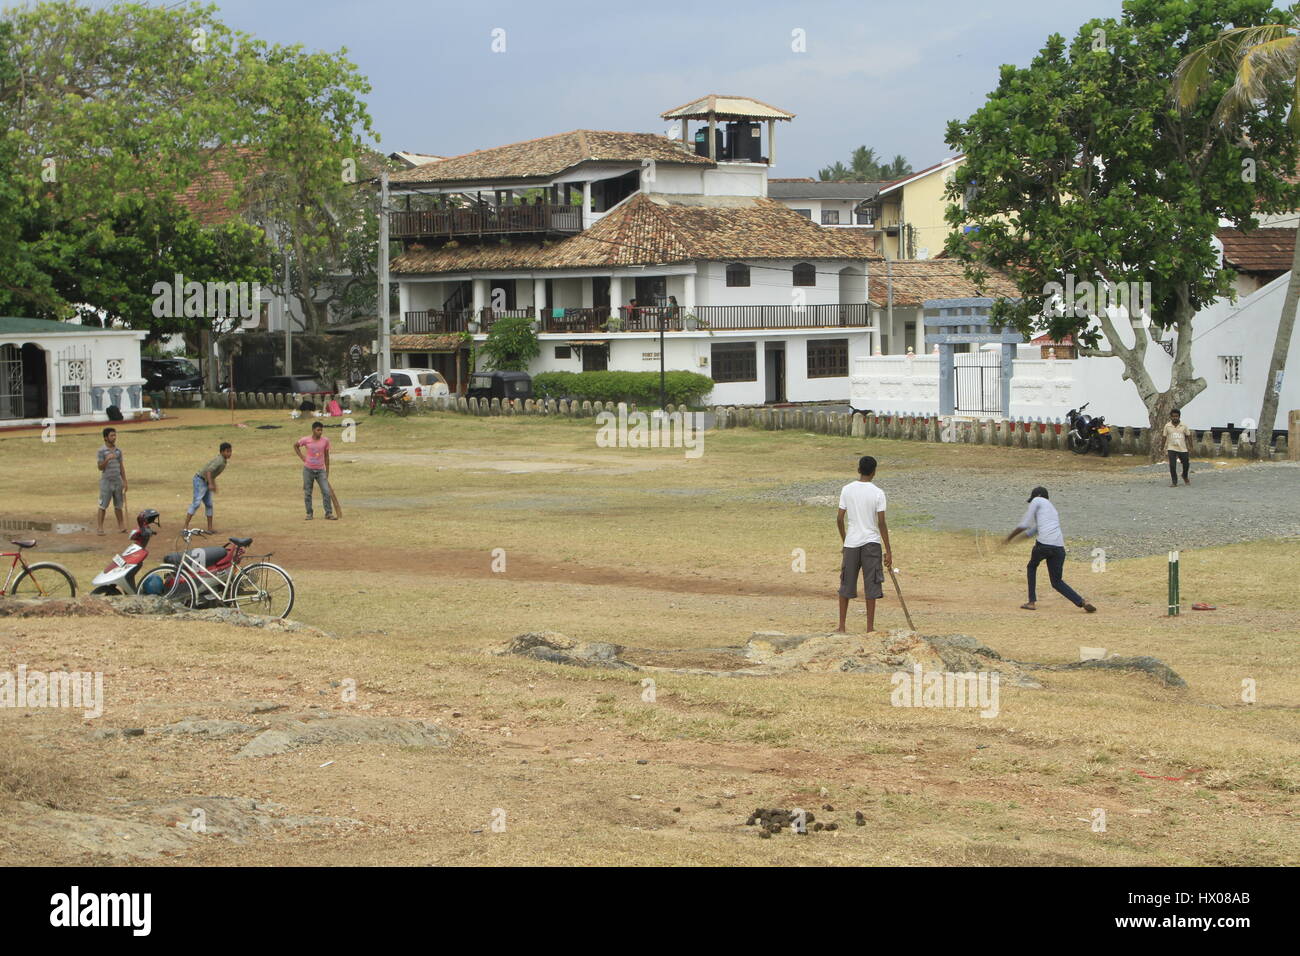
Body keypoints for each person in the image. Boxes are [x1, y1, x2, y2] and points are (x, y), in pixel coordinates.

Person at [1003, 486, 1096, 613]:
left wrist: (1009, 538)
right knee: (1056, 582)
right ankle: (1081, 601)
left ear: (1038, 496)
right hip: (1059, 548)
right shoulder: (1052, 510)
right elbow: (1035, 530)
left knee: (1032, 567)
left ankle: (1031, 602)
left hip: (1043, 545)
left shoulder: (1037, 500)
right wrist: (1017, 540)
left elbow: (1025, 525)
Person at [836, 455, 893, 634]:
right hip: (871, 543)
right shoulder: (878, 493)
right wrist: (888, 551)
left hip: (851, 543)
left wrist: (845, 540)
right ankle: (869, 628)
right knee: (872, 585)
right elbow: (881, 523)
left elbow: (839, 519)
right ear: (874, 472)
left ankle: (842, 626)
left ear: (859, 469)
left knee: (846, 583)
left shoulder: (847, 490)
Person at [185, 442, 232, 532]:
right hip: (200, 480)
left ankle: (210, 528)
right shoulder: (219, 460)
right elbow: (208, 472)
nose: (229, 454)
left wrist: (213, 484)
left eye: (230, 451)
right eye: (227, 451)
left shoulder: (223, 460)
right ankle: (185, 527)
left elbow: (212, 474)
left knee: (209, 504)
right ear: (222, 452)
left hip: (205, 481)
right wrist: (211, 484)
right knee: (196, 504)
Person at [295, 420, 334, 520]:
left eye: (321, 430)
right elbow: (295, 445)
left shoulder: (325, 441)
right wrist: (302, 457)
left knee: (326, 491)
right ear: (313, 430)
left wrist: (327, 471)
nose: (320, 432)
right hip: (308, 470)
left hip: (321, 470)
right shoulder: (306, 440)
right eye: (318, 430)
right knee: (308, 492)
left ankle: (328, 513)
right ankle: (309, 513)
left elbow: (327, 456)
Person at [96, 426, 128, 535]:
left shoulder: (118, 451)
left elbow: (121, 466)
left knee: (119, 505)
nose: (114, 437)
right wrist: (107, 459)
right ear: (105, 438)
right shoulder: (101, 451)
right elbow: (100, 467)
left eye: (115, 435)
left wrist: (124, 481)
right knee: (103, 505)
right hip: (106, 481)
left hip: (117, 481)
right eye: (111, 435)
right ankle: (100, 528)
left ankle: (121, 526)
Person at [1162, 408, 1193, 487]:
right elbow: (1164, 437)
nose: (1175, 418)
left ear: (1179, 417)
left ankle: (1184, 475)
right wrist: (1161, 447)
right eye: (1173, 416)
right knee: (1172, 465)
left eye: (1176, 416)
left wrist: (1191, 446)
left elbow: (1188, 436)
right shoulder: (1167, 426)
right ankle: (1174, 481)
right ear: (1170, 417)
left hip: (1182, 448)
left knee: (1186, 463)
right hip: (1171, 448)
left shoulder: (1184, 426)